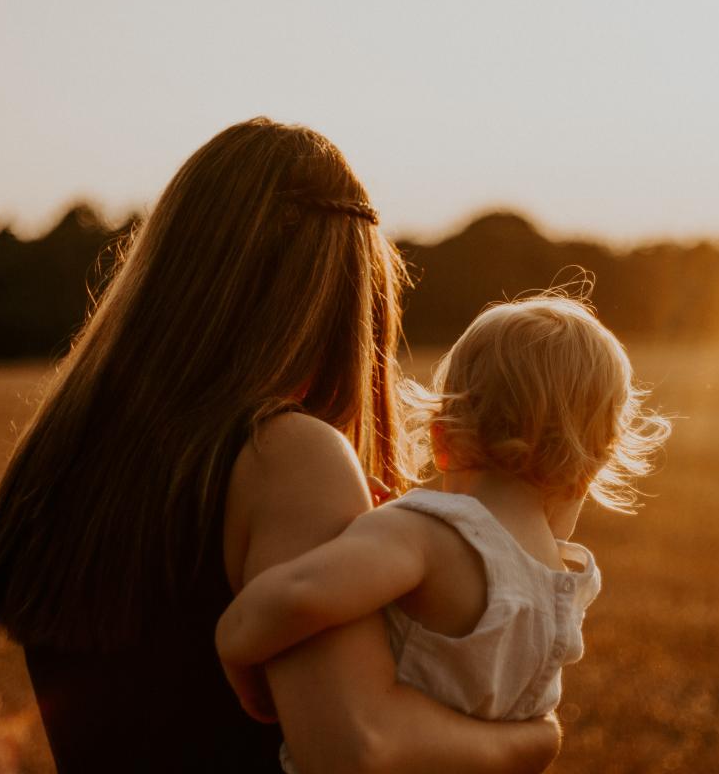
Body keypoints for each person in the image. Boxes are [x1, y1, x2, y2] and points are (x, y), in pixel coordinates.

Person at [0, 117, 562, 772]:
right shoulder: (286, 455)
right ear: (343, 300)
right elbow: (354, 750)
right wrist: (530, 742)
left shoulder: (60, 458)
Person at [215, 295, 672, 772]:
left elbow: (303, 593)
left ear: (441, 437)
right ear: (588, 471)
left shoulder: (424, 534)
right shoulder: (564, 586)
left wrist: (235, 641)